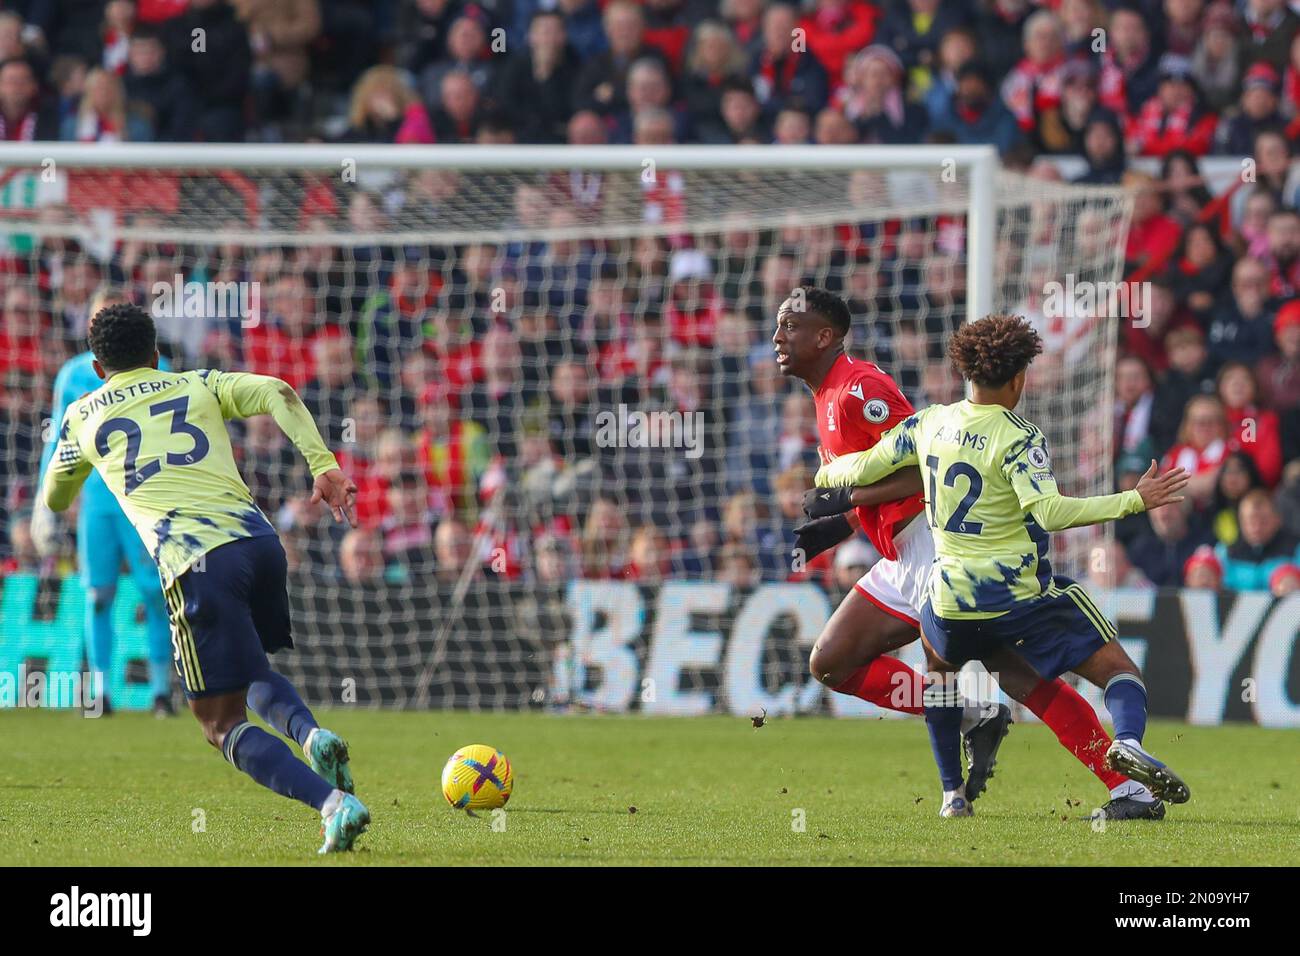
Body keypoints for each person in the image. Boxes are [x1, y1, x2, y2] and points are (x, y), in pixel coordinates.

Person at [776, 288, 1158, 819]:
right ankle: (980, 724)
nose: (778, 338)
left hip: (933, 548)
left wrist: (845, 497)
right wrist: (844, 519)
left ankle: (1108, 780)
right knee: (836, 664)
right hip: (905, 553)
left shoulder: (861, 389)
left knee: (1016, 677)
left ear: (824, 336)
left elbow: (918, 469)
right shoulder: (828, 395)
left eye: (789, 327)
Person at [40, 303, 369, 854]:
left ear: (97, 367)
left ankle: (335, 805)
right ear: (156, 355)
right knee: (251, 669)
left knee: (219, 724)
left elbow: (55, 498)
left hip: (197, 565)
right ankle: (312, 735)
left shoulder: (82, 413)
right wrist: (322, 465)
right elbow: (278, 392)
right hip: (260, 544)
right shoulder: (198, 383)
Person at [34, 286, 174, 716]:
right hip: (96, 500)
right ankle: (100, 692)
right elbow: (58, 440)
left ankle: (161, 693)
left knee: (154, 591)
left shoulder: (161, 370)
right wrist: (45, 501)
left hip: (145, 497)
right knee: (98, 593)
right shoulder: (73, 375)